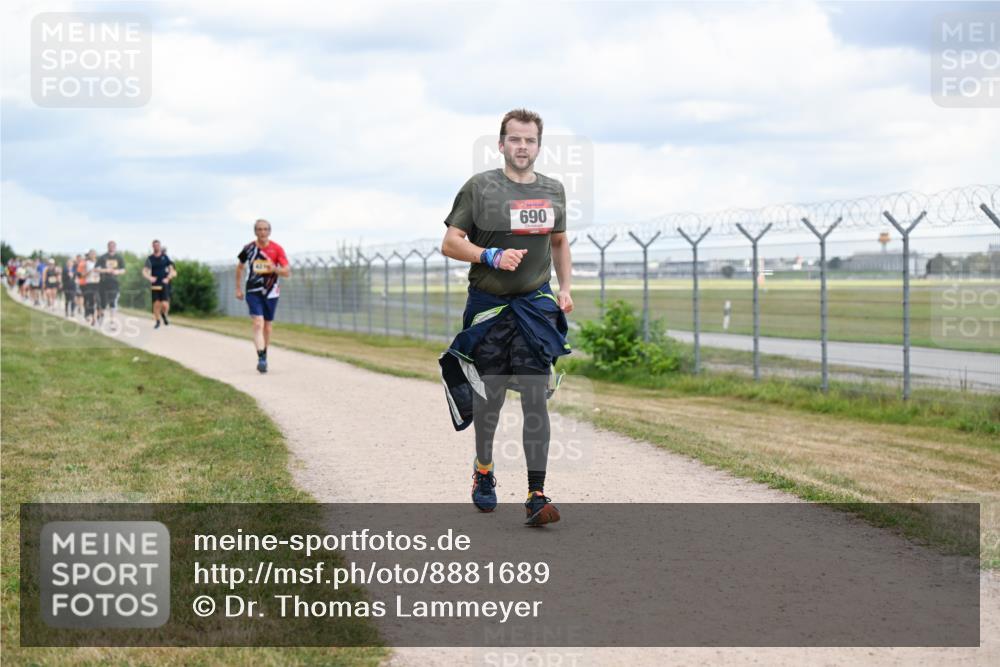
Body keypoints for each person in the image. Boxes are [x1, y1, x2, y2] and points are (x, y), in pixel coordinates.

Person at [439, 108, 573, 526]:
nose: (522, 147)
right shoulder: (479, 189)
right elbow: (450, 242)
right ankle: (483, 471)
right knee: (490, 401)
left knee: (536, 399)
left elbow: (559, 242)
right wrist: (489, 255)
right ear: (501, 144)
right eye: (515, 139)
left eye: (530, 140)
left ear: (538, 145)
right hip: (490, 309)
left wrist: (564, 288)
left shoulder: (553, 191)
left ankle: (536, 493)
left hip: (534, 307)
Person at [236, 219, 290, 373]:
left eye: (265, 229)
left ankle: (264, 353)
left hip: (271, 291)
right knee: (258, 323)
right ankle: (261, 358)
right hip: (253, 290)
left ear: (269, 231)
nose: (262, 232)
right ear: (255, 231)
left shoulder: (277, 249)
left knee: (267, 326)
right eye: (259, 229)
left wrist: (274, 269)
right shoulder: (248, 249)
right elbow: (239, 268)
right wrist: (238, 289)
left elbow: (287, 271)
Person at [142, 240, 176, 329]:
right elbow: (144, 271)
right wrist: (149, 278)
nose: (156, 247)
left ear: (160, 246)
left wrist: (168, 278)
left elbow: (172, 270)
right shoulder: (150, 258)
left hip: (164, 284)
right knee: (156, 304)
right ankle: (157, 321)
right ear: (152, 247)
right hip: (155, 284)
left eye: (158, 245)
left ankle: (163, 314)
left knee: (165, 304)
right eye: (155, 245)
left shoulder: (165, 257)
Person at [97, 241, 126, 325]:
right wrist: (105, 270)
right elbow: (96, 269)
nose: (112, 247)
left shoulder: (119, 257)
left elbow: (123, 270)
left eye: (113, 246)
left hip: (114, 282)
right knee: (103, 302)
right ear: (108, 247)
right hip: (103, 282)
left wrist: (118, 272)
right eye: (110, 246)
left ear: (115, 247)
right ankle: (101, 315)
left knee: (113, 302)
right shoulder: (103, 257)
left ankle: (112, 321)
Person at [81, 250, 102, 325]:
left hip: (98, 283)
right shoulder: (86, 263)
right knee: (91, 302)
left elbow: (102, 272)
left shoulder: (100, 263)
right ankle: (93, 318)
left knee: (99, 301)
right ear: (89, 255)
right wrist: (90, 271)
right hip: (89, 283)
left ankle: (99, 315)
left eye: (94, 254)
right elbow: (83, 275)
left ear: (96, 255)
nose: (93, 255)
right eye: (91, 254)